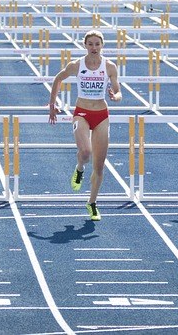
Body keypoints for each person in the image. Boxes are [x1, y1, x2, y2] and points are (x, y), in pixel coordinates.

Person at [48, 30, 122, 221]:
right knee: (86, 152)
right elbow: (58, 79)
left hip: (101, 115)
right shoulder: (76, 65)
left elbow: (118, 91)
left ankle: (92, 203)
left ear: (102, 45)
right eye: (90, 44)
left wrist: (115, 97)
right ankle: (80, 167)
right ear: (85, 45)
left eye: (97, 44)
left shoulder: (109, 66)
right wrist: (52, 104)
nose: (94, 47)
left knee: (99, 165)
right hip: (81, 113)